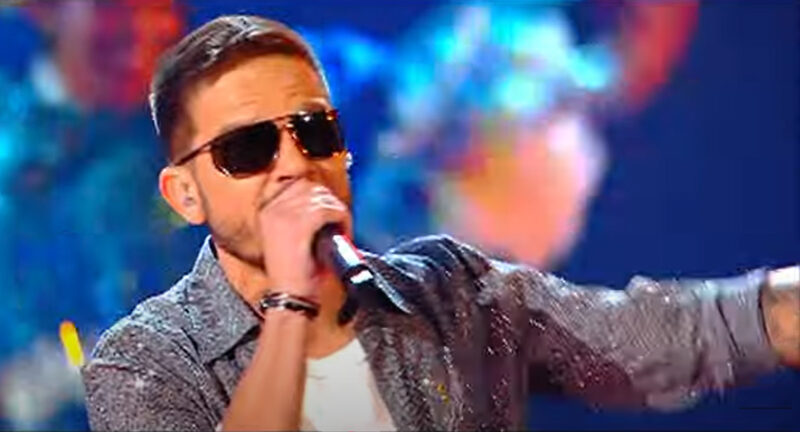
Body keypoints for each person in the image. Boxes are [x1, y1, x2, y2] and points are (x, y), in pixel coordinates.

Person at [81, 15, 799, 431]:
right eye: (248, 148)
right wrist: (292, 303)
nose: (297, 164)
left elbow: (662, 335)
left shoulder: (448, 294)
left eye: (315, 132)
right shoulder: (145, 360)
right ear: (185, 195)